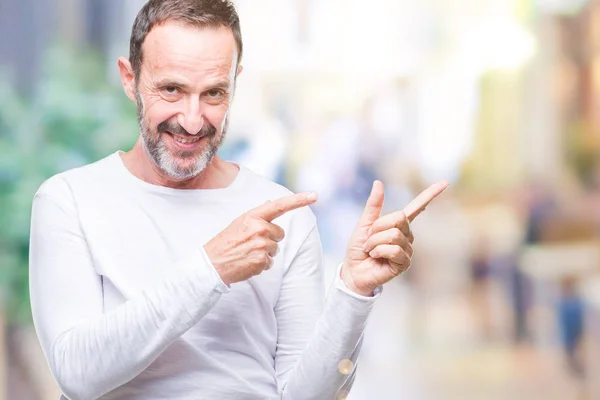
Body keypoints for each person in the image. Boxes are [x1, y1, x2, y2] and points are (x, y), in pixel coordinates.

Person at [28, 1, 449, 399]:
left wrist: (353, 292)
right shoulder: (69, 201)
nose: (192, 120)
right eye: (172, 89)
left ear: (235, 83)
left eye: (214, 93)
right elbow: (77, 375)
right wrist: (210, 268)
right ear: (129, 79)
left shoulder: (283, 214)